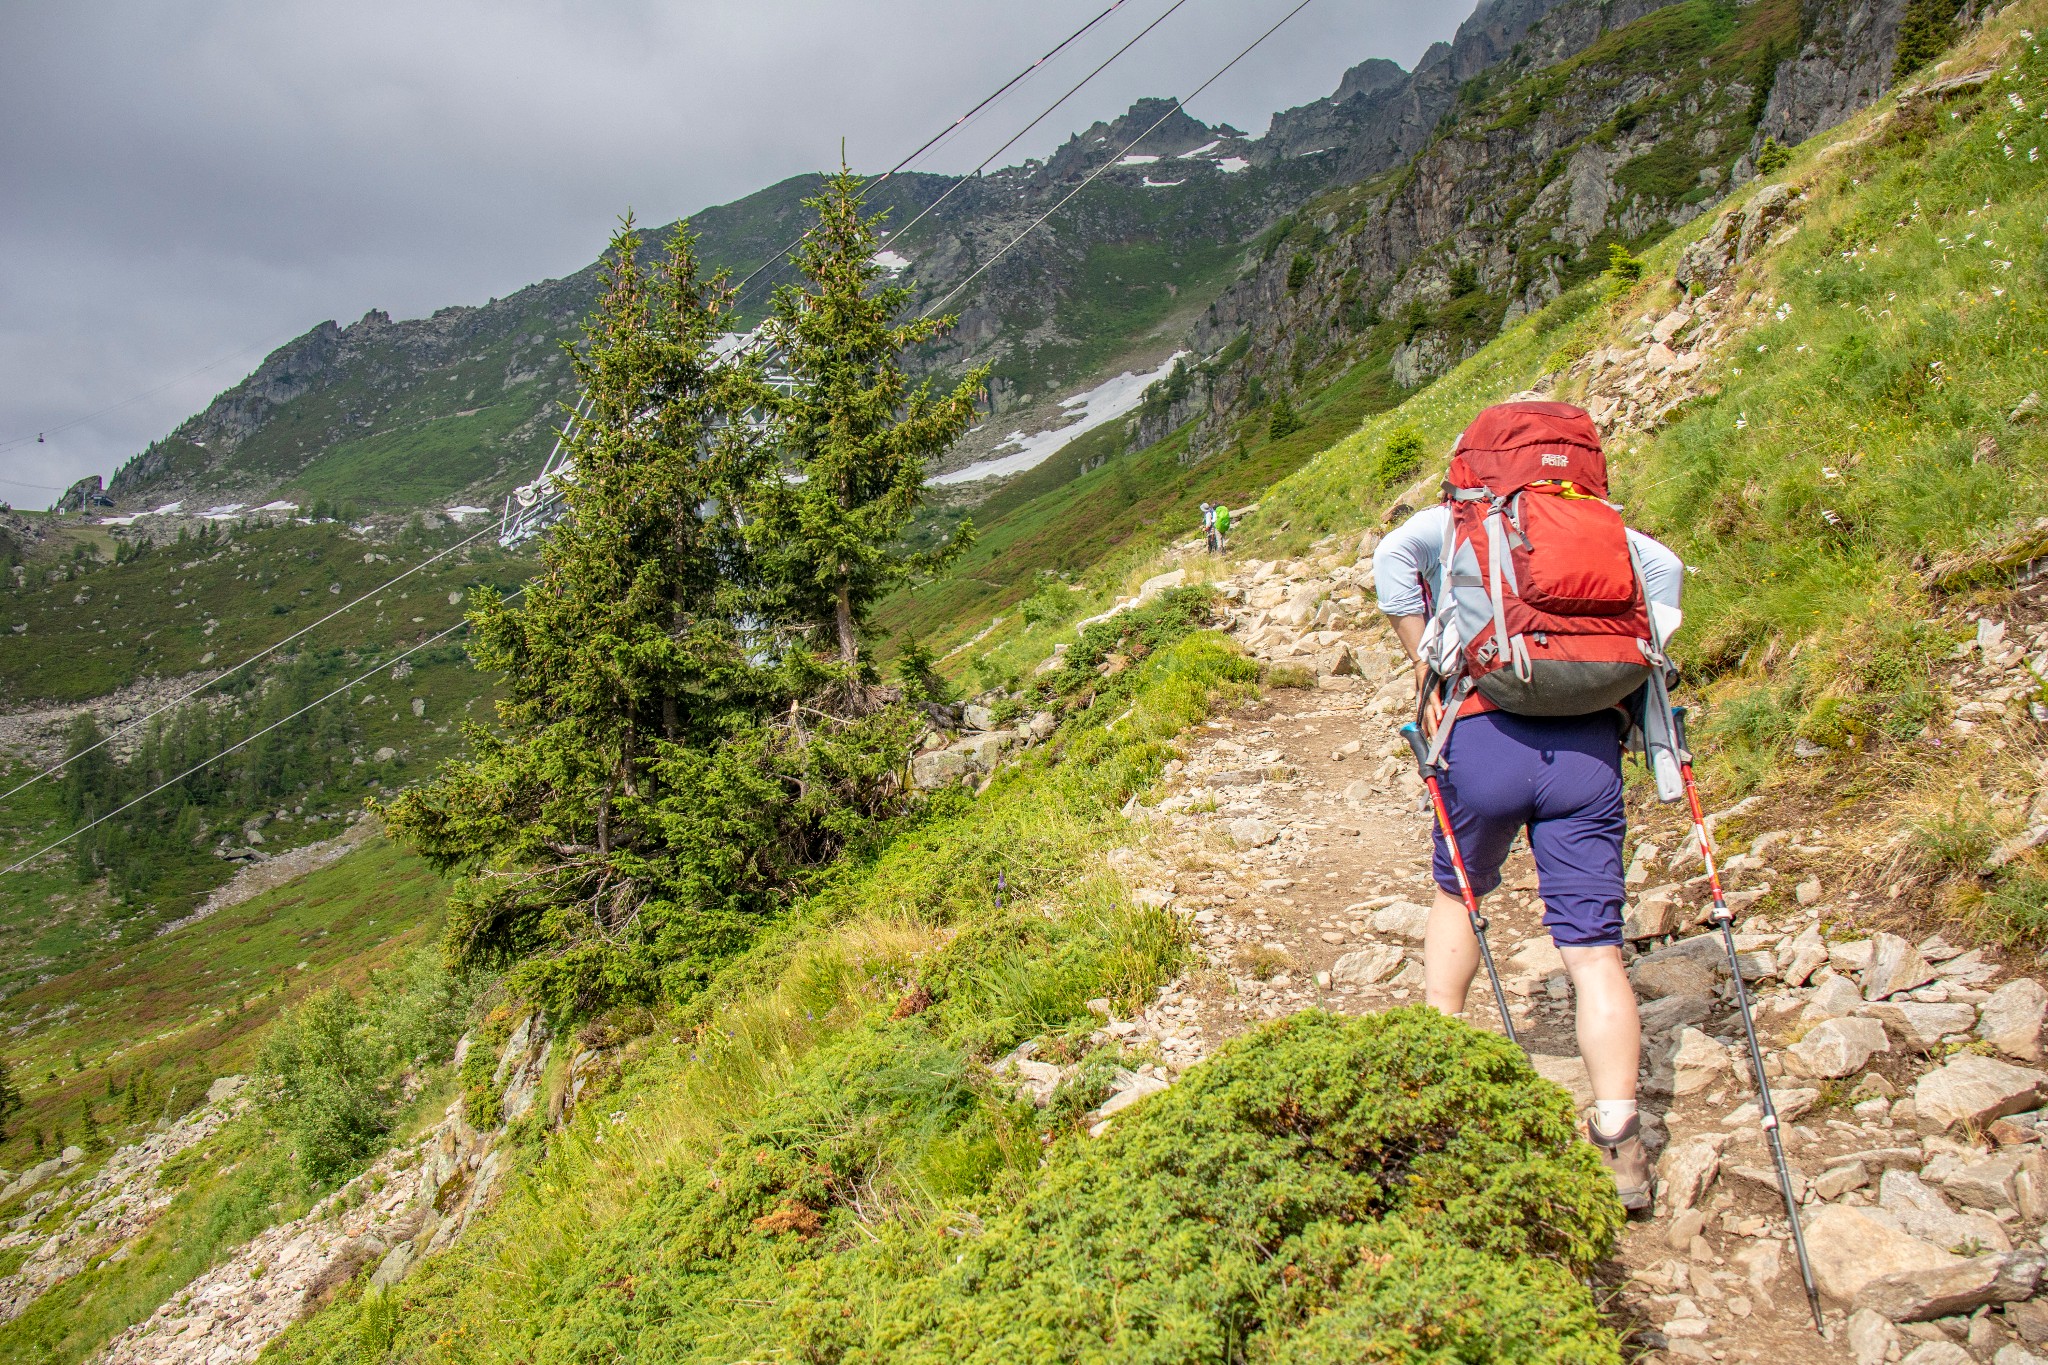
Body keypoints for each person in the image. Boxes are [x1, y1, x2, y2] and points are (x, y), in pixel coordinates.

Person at [1372, 409, 1684, 1214]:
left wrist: (1427, 657)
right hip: (1586, 754)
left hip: (1481, 735)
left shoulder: (1461, 518)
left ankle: (1436, 1070)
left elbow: (1390, 560)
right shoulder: (1607, 527)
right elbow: (1666, 582)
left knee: (1459, 895)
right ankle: (1620, 1141)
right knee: (1594, 950)